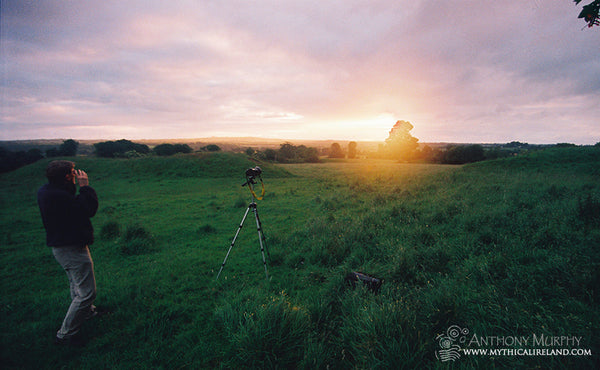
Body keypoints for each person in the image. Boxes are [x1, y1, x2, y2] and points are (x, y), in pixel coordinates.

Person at [37, 160, 100, 346]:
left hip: (63, 246)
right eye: (73, 172)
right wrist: (85, 187)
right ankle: (65, 335)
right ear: (66, 176)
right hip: (70, 247)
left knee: (76, 284)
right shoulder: (59, 197)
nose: (76, 174)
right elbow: (88, 209)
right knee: (87, 293)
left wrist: (72, 186)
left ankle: (87, 314)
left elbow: (70, 200)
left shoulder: (46, 191)